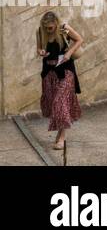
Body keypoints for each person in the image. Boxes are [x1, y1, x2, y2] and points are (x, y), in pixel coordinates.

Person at [37, 11, 83, 149]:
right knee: (53, 103)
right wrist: (41, 52)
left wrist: (69, 53)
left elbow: (80, 39)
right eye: (46, 28)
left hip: (65, 71)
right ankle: (60, 134)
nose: (48, 30)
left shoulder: (64, 28)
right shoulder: (40, 31)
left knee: (60, 102)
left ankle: (62, 138)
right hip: (49, 72)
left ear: (56, 23)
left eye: (50, 28)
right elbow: (38, 48)